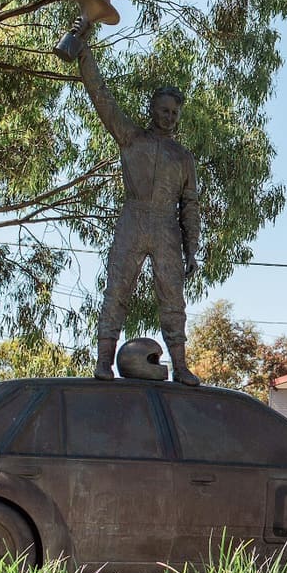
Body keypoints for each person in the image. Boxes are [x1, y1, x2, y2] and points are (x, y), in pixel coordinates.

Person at [74, 33, 201, 385]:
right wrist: (84, 53)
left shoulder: (183, 158)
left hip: (166, 229)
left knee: (173, 301)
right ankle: (103, 362)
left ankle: (181, 366)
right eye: (164, 110)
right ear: (151, 109)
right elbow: (101, 97)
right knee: (117, 291)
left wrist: (192, 249)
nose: (169, 117)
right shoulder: (131, 139)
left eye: (175, 113)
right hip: (133, 218)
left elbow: (189, 206)